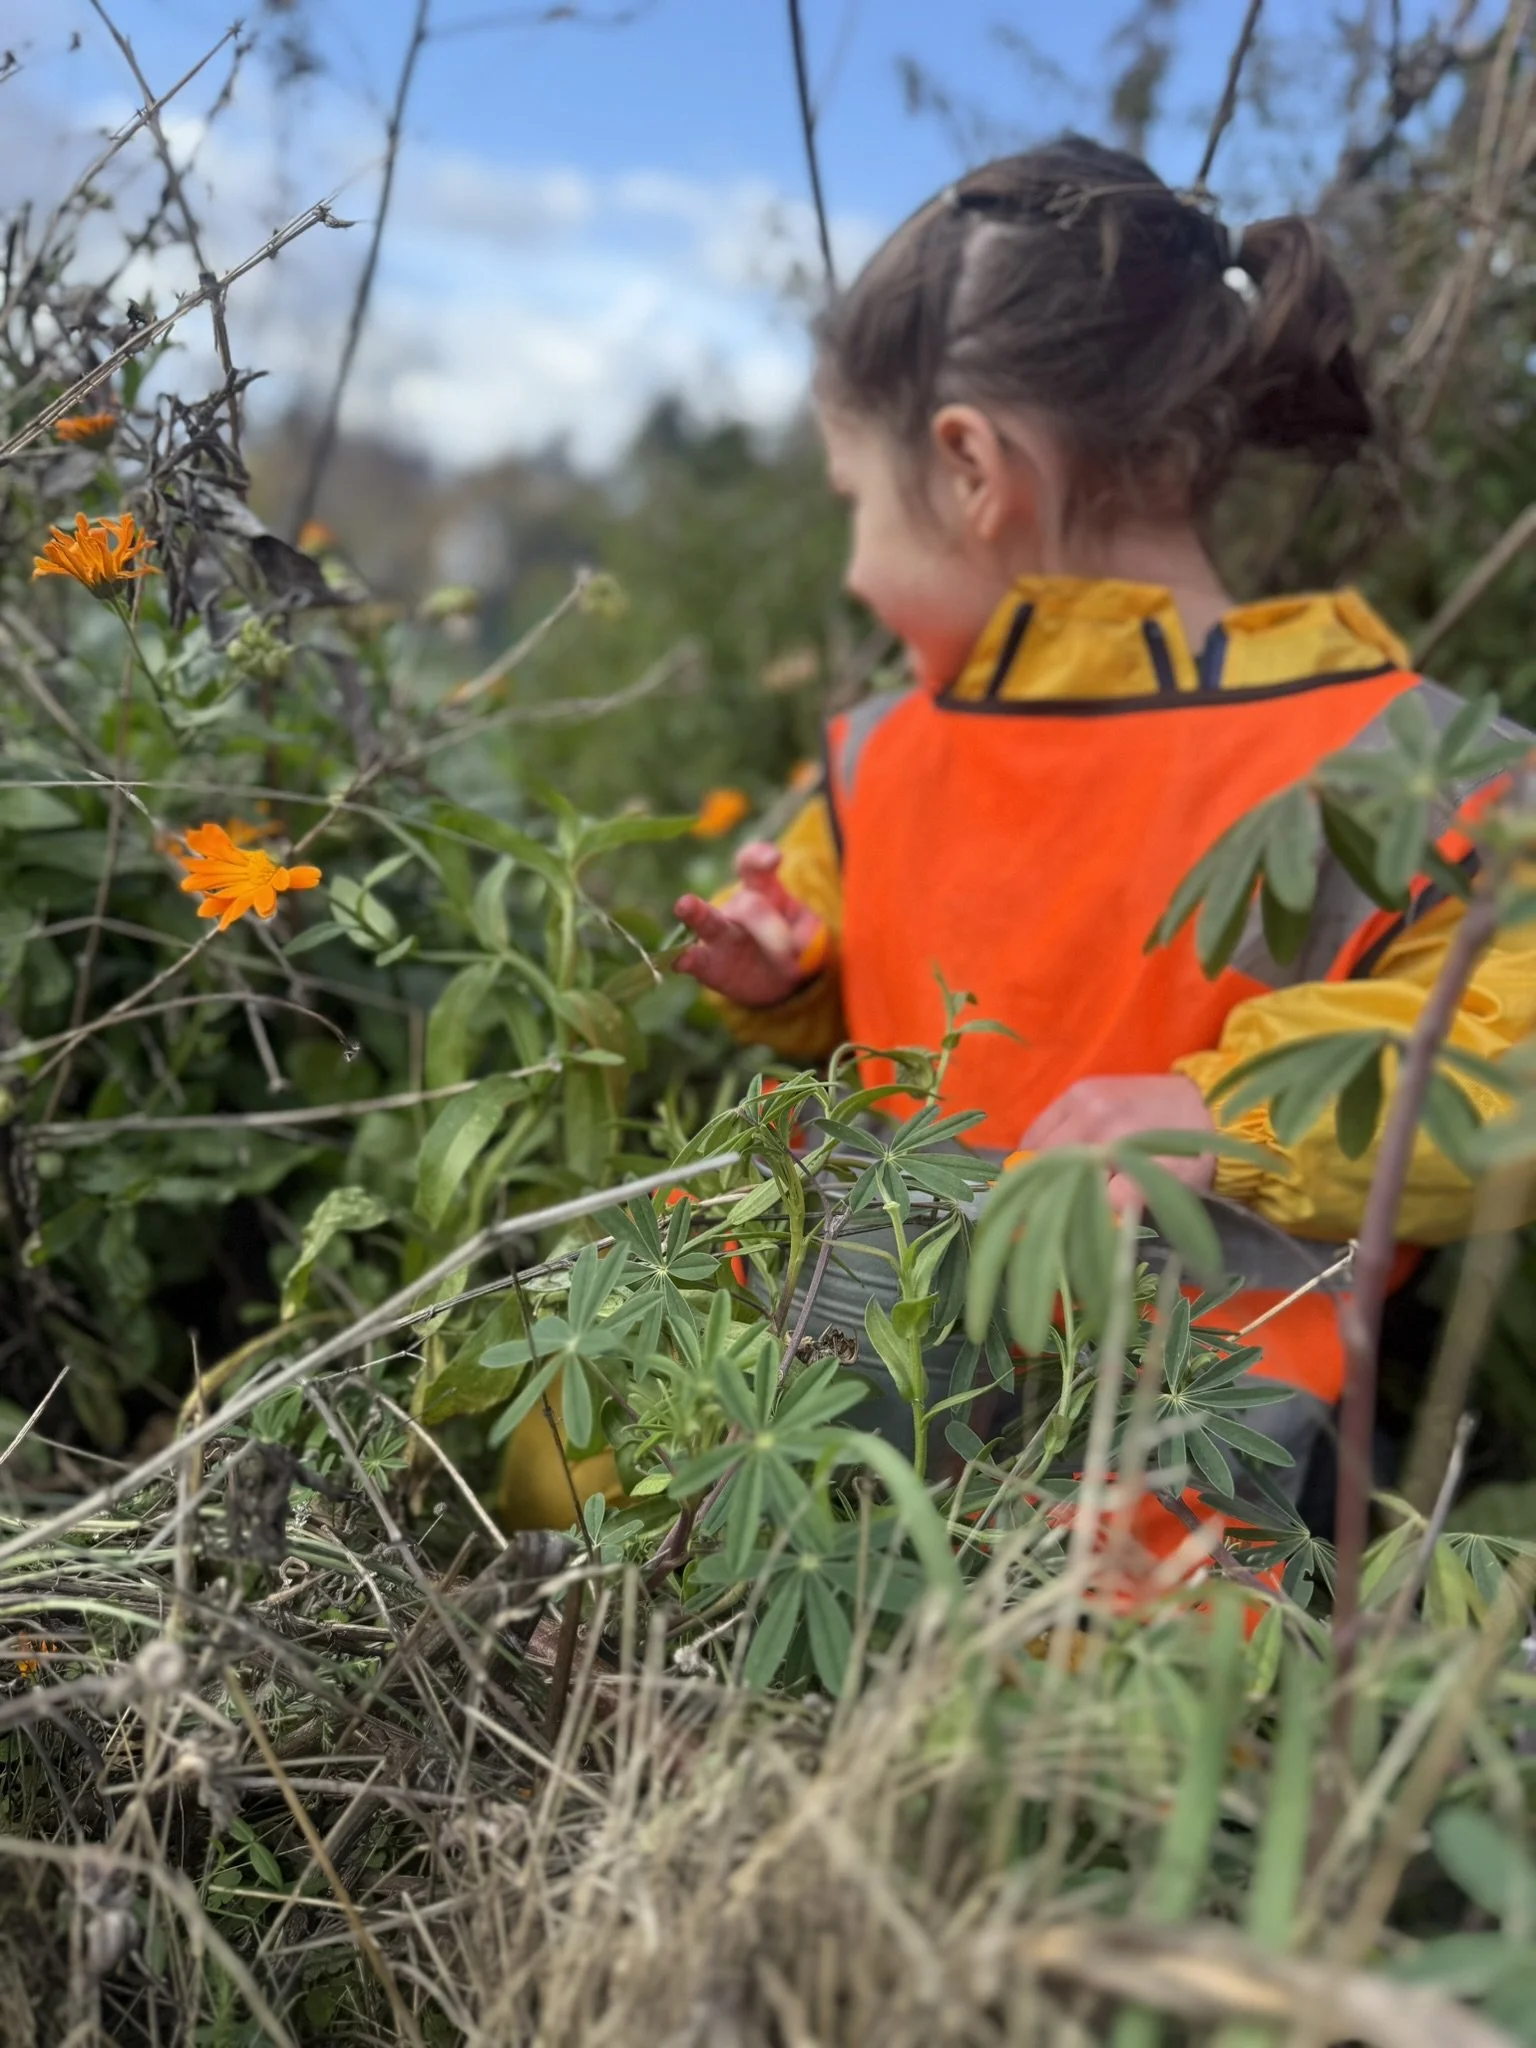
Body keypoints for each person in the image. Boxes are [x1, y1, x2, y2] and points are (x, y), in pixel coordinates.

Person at [646, 137, 1535, 1553]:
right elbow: (859, 911)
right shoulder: (884, 747)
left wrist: (1223, 1116)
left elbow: (1517, 1059)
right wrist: (794, 967)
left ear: (967, 470)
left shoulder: (1407, 769)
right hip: (849, 1483)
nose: (853, 565)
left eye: (849, 503)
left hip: (1183, 1560)